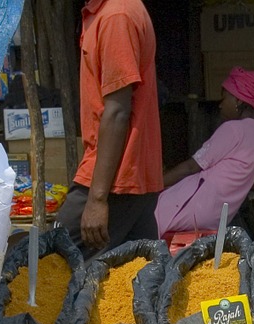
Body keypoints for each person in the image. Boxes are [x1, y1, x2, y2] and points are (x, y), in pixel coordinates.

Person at [56, 0, 163, 258]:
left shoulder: (117, 15)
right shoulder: (106, 12)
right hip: (128, 176)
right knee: (139, 275)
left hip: (116, 177)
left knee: (54, 258)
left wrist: (97, 199)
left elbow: (117, 111)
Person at [155, 67, 254, 238]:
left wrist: (155, 185)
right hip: (215, 216)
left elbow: (191, 167)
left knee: (150, 216)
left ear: (237, 100)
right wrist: (242, 176)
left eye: (224, 98)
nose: (220, 105)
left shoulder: (232, 129)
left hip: (196, 207)